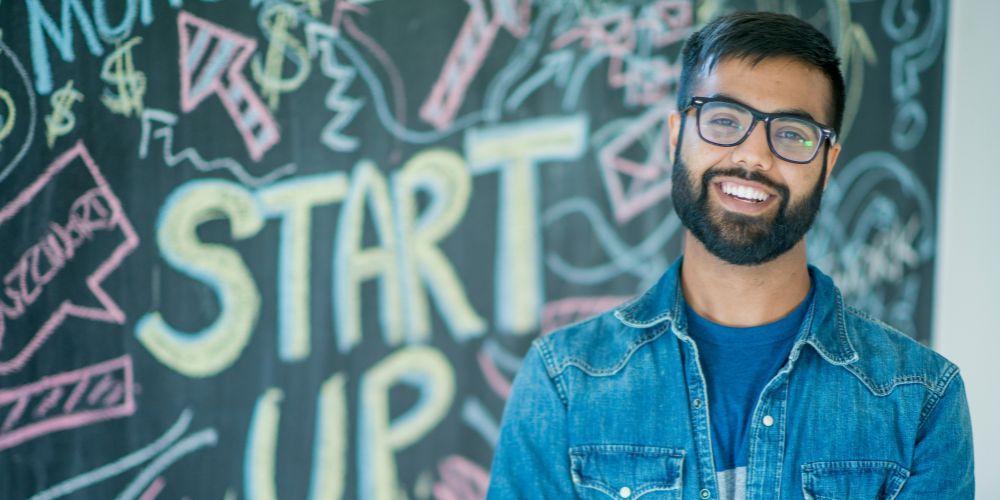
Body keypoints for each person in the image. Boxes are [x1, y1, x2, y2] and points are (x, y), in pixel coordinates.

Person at [486, 11, 974, 499]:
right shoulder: (565, 380)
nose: (754, 156)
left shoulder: (920, 400)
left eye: (792, 134)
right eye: (724, 121)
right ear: (676, 136)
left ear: (828, 164)